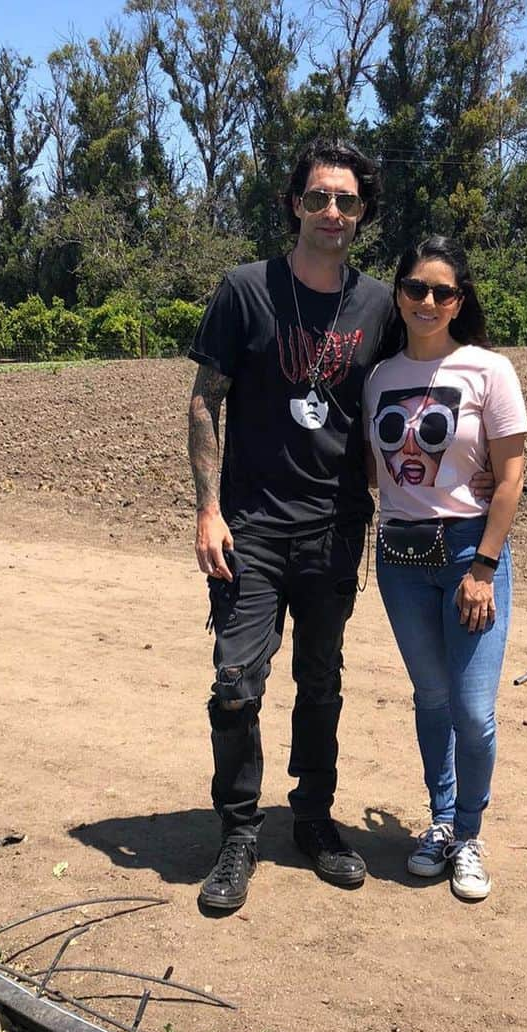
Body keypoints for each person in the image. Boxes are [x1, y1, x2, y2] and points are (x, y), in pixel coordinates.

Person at [185, 138, 400, 913]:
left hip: (337, 530)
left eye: (345, 200)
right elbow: (206, 398)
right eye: (318, 198)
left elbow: (412, 395)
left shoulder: (378, 305)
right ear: (295, 205)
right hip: (251, 529)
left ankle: (312, 817)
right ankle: (239, 830)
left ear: (362, 213)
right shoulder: (245, 291)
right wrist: (207, 508)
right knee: (235, 684)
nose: (331, 212)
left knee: (322, 681)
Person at [363, 235, 527, 901]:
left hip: (468, 551)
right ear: (398, 295)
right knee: (431, 698)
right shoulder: (380, 377)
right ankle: (438, 820)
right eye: (415, 289)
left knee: (472, 709)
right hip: (400, 555)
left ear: (460, 301)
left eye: (442, 291)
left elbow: (512, 474)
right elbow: (368, 470)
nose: (428, 301)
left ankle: (469, 832)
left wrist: (485, 565)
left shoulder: (489, 370)